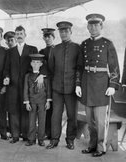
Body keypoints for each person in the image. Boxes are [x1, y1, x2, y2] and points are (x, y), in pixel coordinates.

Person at [76, 13, 120, 157]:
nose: (93, 27)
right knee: (90, 121)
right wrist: (78, 84)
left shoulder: (108, 43)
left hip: (102, 85)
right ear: (87, 26)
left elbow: (114, 67)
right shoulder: (84, 44)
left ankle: (101, 148)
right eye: (91, 25)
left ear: (101, 26)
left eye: (96, 25)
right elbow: (79, 67)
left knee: (101, 122)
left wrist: (113, 85)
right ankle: (92, 145)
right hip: (87, 84)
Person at [3, 25, 45, 143]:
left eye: (21, 34)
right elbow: (6, 68)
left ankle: (27, 135)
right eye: (17, 34)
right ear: (15, 37)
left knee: (27, 110)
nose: (19, 36)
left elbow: (39, 65)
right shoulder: (10, 52)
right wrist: (6, 77)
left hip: (28, 86)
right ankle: (15, 135)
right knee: (14, 110)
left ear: (25, 35)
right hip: (13, 86)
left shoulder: (32, 49)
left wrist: (41, 76)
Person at [46, 21, 81, 150]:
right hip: (57, 89)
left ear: (71, 32)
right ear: (59, 33)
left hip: (72, 89)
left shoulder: (77, 48)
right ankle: (54, 140)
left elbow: (79, 68)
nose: (63, 33)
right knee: (56, 115)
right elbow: (50, 68)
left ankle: (70, 140)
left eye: (66, 31)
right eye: (61, 31)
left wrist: (77, 85)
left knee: (72, 115)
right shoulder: (55, 49)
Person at [23, 54, 51, 147]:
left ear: (41, 64)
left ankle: (41, 139)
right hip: (32, 101)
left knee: (42, 121)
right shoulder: (28, 75)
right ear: (31, 63)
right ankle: (31, 139)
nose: (35, 64)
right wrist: (27, 102)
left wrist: (48, 101)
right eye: (34, 62)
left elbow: (48, 89)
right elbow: (25, 89)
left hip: (42, 101)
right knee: (31, 121)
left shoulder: (44, 76)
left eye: (38, 62)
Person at [39, 28, 55, 140]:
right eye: (46, 36)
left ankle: (54, 133)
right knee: (46, 109)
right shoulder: (41, 52)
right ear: (43, 38)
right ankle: (46, 132)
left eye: (50, 36)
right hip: (45, 83)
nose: (47, 38)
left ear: (54, 37)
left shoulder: (58, 50)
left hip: (56, 83)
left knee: (55, 110)